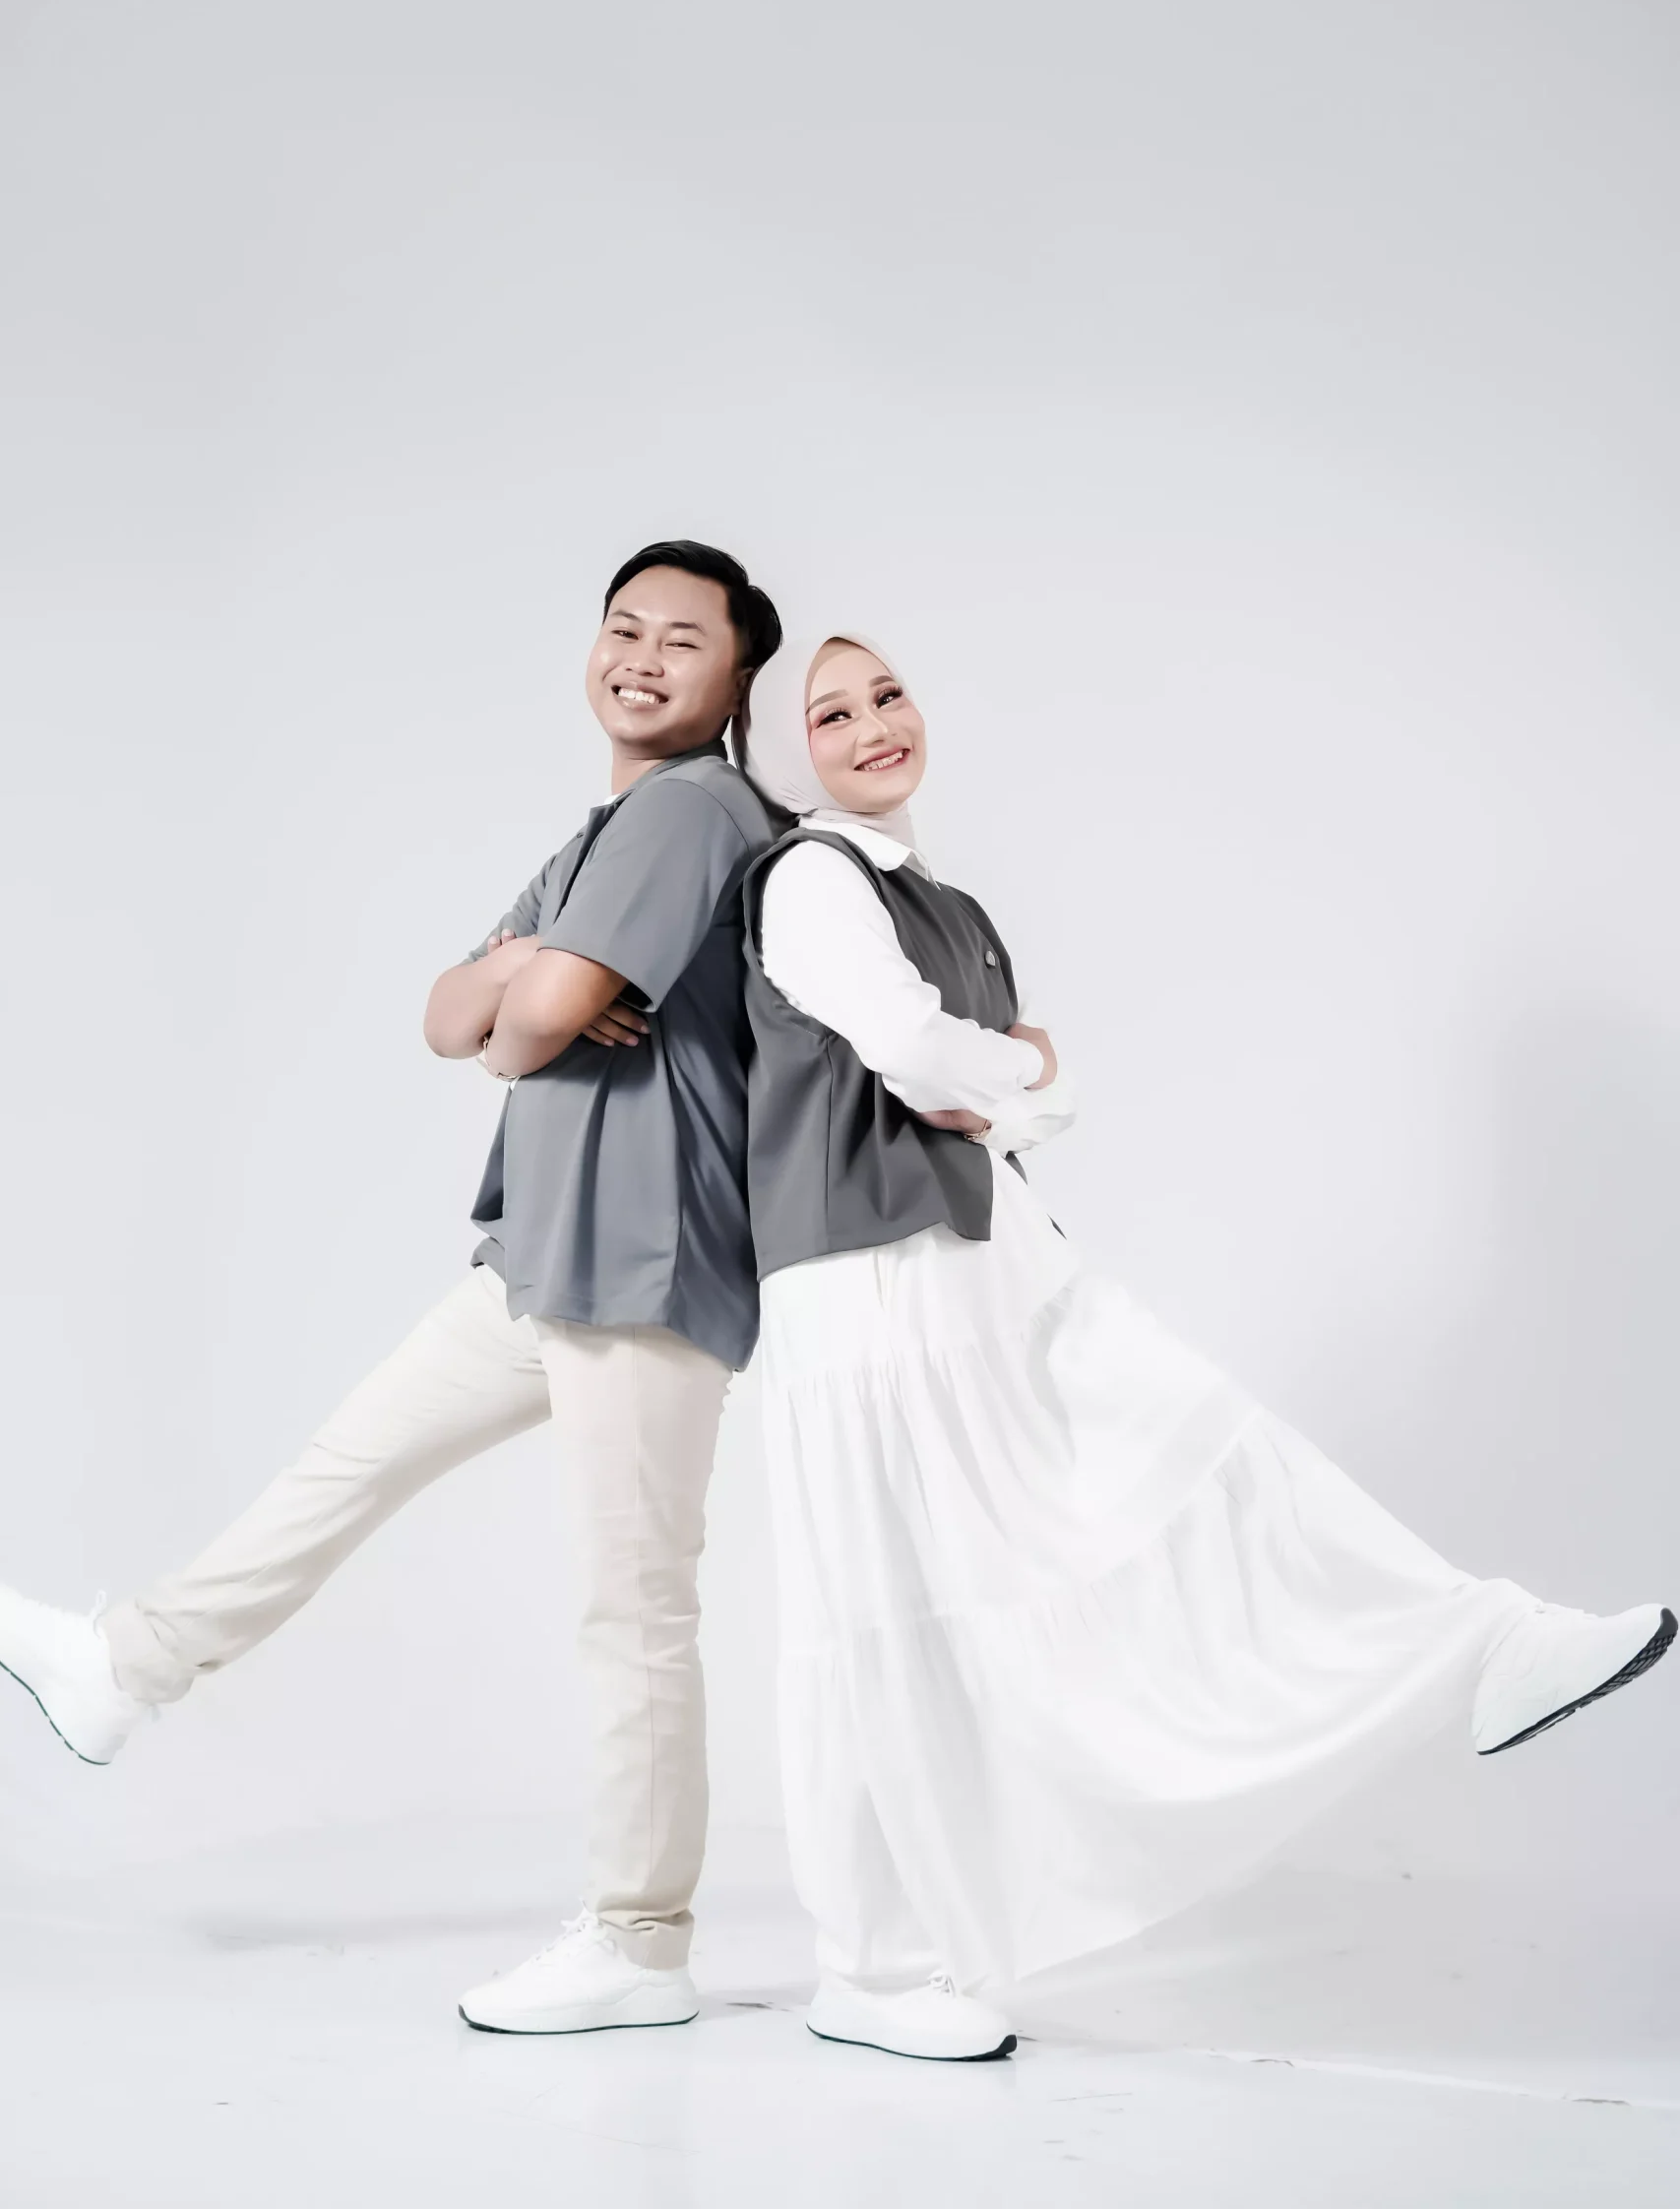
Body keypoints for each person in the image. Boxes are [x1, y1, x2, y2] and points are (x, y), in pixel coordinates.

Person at [734, 628, 1674, 2065]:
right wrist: (1022, 1066)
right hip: (864, 1291)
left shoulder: (953, 905)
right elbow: (925, 1056)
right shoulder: (807, 879)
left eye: (888, 693)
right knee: (876, 1617)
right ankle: (869, 1963)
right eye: (830, 713)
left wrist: (1012, 1083)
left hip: (989, 1261)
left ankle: (1484, 1645)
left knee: (1203, 1459)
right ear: (785, 756)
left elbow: (1013, 1096)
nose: (872, 726)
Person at [0, 540, 782, 2039]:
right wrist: (524, 991)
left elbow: (525, 1021)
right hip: (547, 1250)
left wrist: (528, 995)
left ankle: (640, 1943)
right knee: (345, 1466)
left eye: (683, 639)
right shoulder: (606, 829)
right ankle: (125, 1667)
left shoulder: (691, 810)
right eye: (622, 627)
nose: (642, 657)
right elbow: (449, 1016)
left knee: (632, 1612)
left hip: (642, 1261)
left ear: (738, 674)